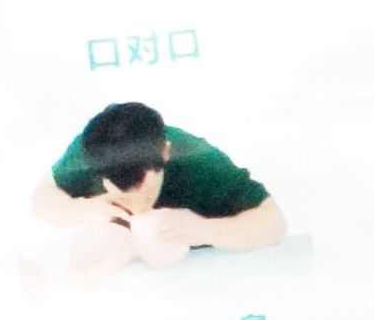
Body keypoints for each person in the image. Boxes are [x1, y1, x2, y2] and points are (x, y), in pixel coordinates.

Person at [33, 100, 289, 269]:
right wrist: (81, 209)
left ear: (165, 152)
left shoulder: (198, 161)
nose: (135, 207)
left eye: (143, 191)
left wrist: (207, 230)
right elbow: (42, 197)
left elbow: (274, 223)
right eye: (121, 195)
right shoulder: (90, 153)